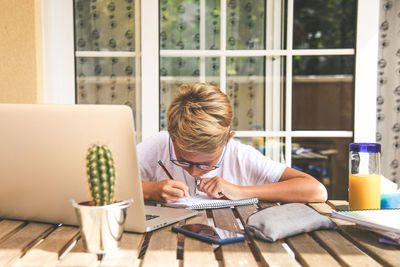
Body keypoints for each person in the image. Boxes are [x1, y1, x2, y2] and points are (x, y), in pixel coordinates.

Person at [137, 83, 327, 203]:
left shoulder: (240, 156)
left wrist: (240, 191)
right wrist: (150, 190)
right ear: (172, 135)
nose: (194, 171)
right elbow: (108, 187)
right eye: (183, 160)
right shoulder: (160, 145)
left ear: (228, 139)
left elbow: (316, 190)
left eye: (206, 163)